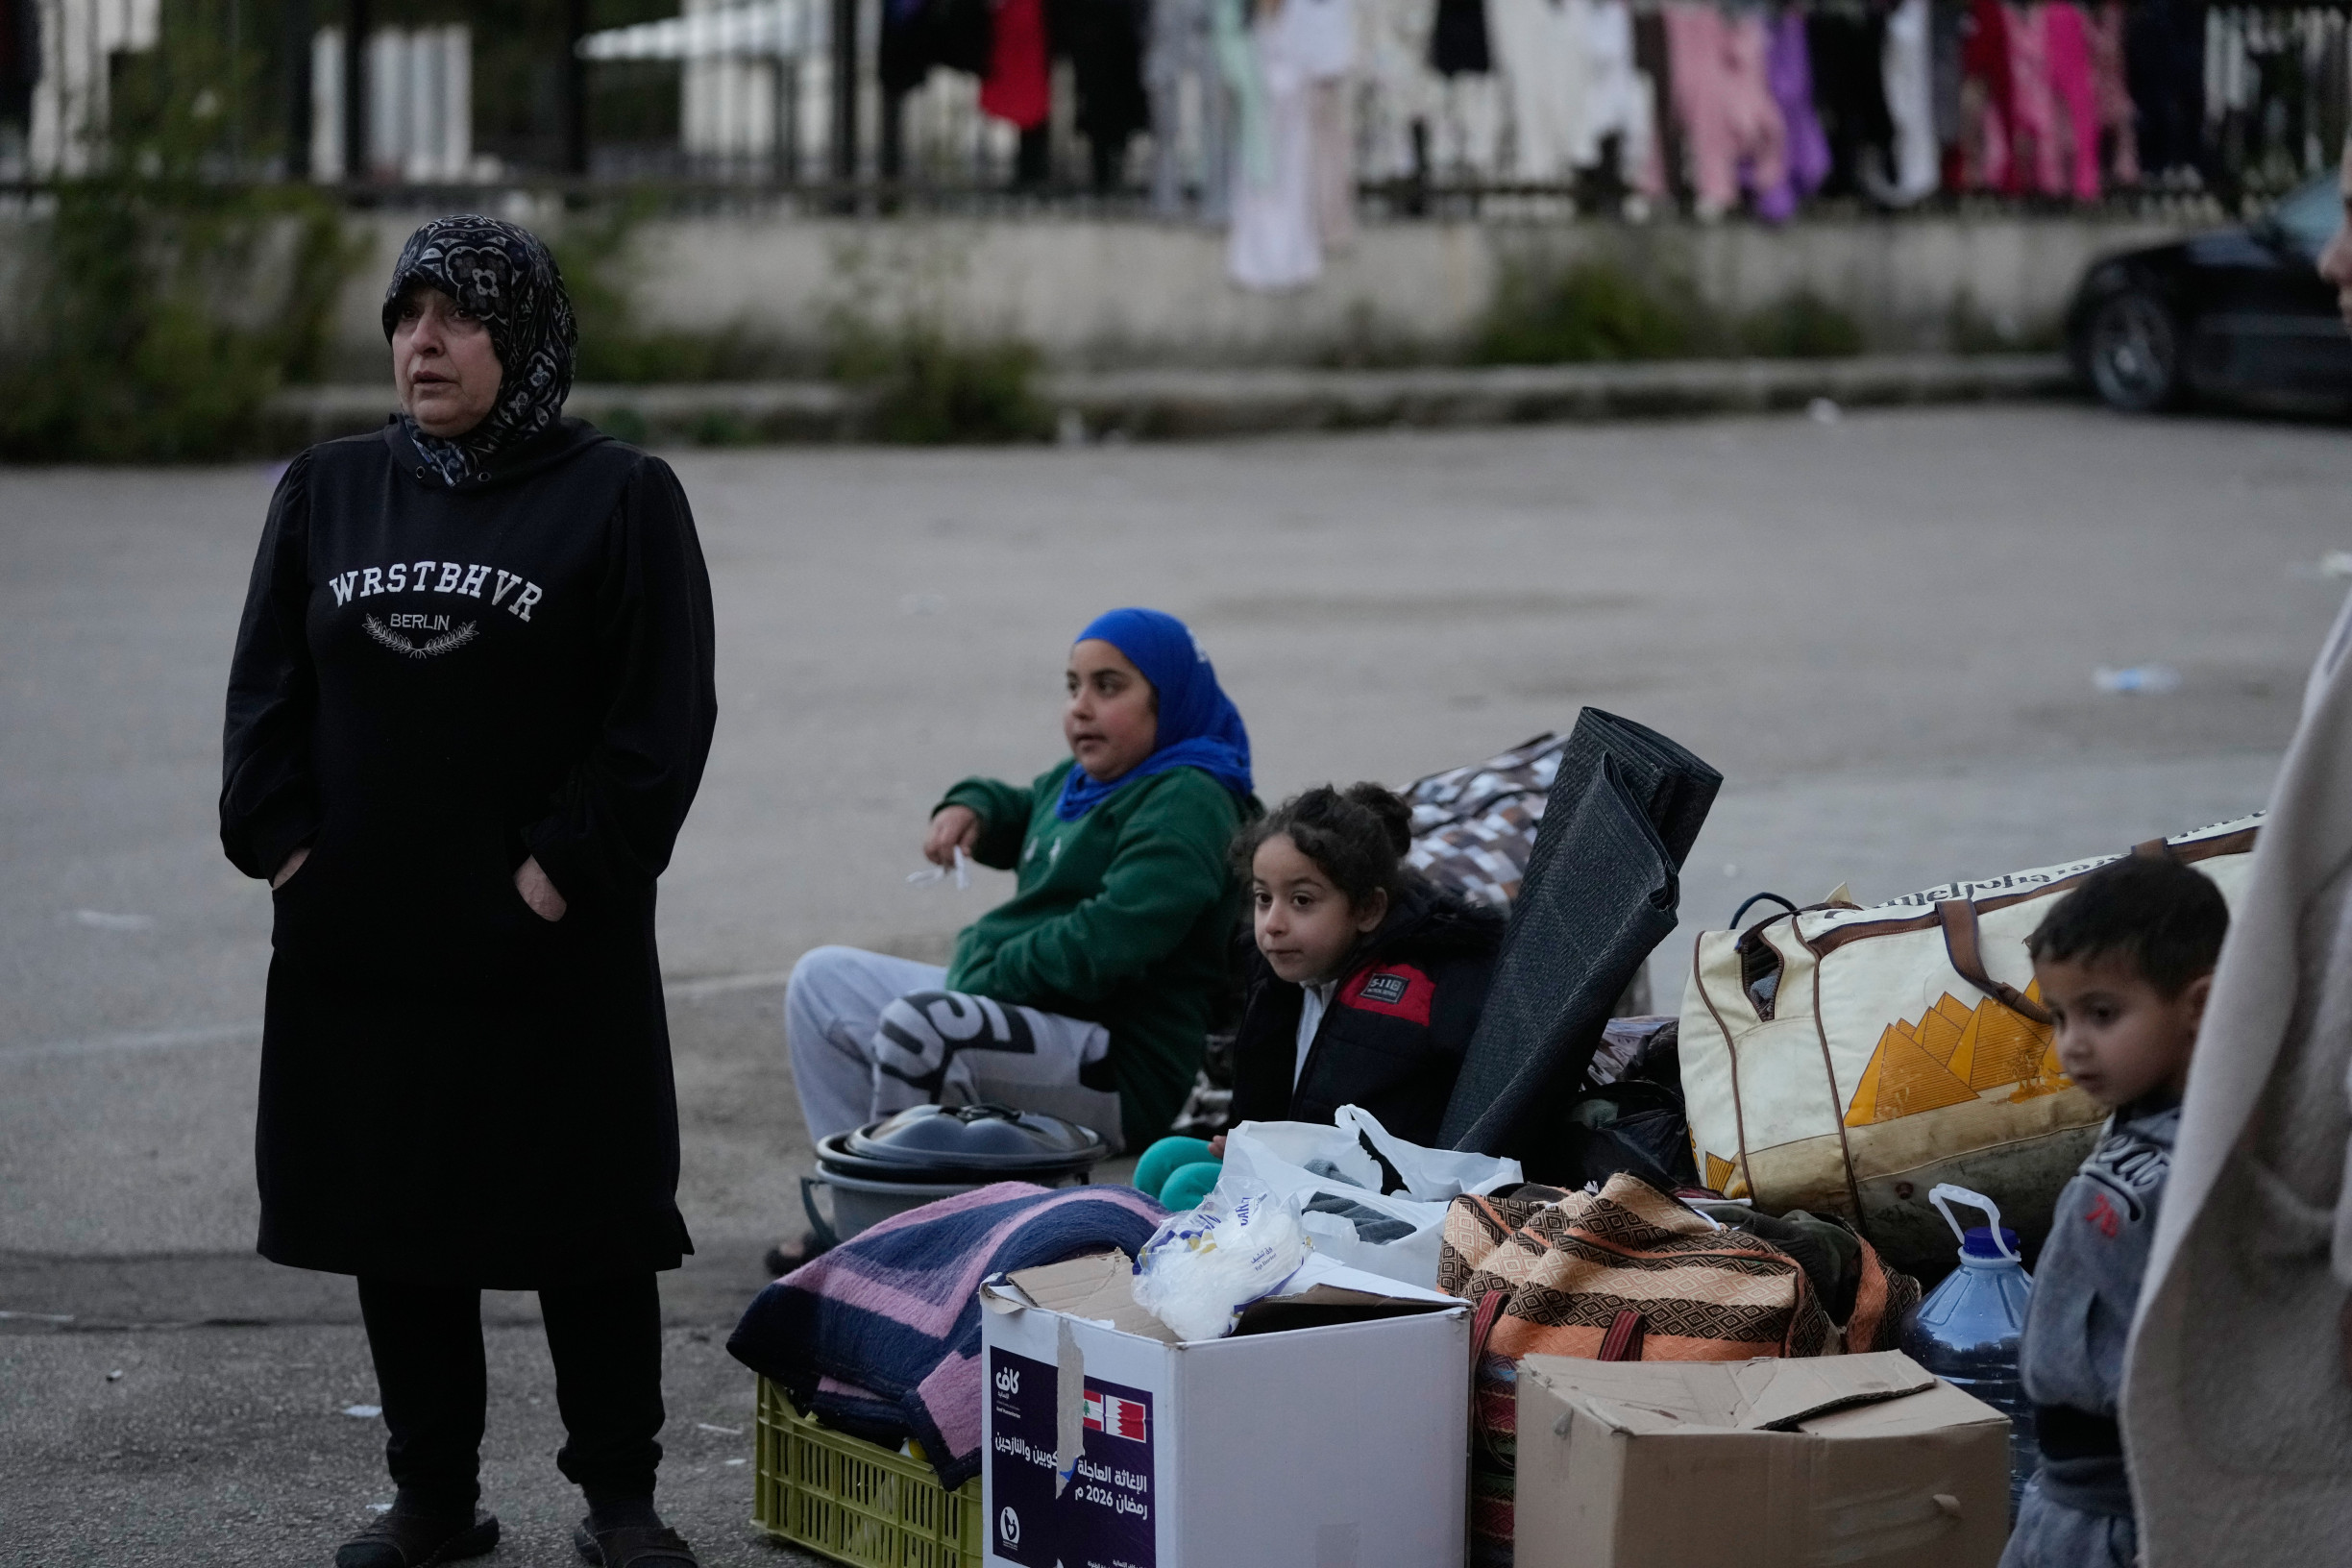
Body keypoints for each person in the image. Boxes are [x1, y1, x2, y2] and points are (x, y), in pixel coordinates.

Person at [220, 216, 717, 1568]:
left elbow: (658, 721)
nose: (421, 343)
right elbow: (266, 696)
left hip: (549, 943)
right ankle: (432, 1497)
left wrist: (557, 877)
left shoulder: (618, 497)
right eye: (406, 315)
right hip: (366, 941)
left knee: (585, 1221)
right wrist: (289, 853)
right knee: (402, 1214)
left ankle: (620, 1499)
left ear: (527, 335)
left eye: (458, 317)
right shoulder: (328, 491)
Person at [778, 607, 1256, 1263]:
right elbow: (1026, 808)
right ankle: (858, 1211)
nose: (1081, 707)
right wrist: (971, 806)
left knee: (928, 1027)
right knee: (820, 981)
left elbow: (1107, 943)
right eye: (1073, 687)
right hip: (1038, 1011)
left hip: (1120, 1062)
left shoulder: (1188, 798)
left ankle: (902, 1254)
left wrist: (987, 976)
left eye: (1108, 687)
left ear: (1167, 700)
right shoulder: (1091, 780)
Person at [1993, 853, 2226, 1568]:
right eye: (2060, 1017)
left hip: (2123, 1513)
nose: (2074, 1045)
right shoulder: (2140, 1115)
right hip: (2061, 1493)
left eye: (2103, 1014)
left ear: (2200, 1006)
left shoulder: (2209, 1161)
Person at [1132, 783, 1504, 1210]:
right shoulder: (1281, 971)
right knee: (1162, 1161)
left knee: (1187, 1187)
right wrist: (1248, 1145)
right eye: (1263, 898)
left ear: (1367, 910)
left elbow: (1408, 1149)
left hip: (1377, 1196)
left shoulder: (1424, 986)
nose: (1273, 923)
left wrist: (1273, 1162)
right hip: (1298, 1168)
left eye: (1301, 900)